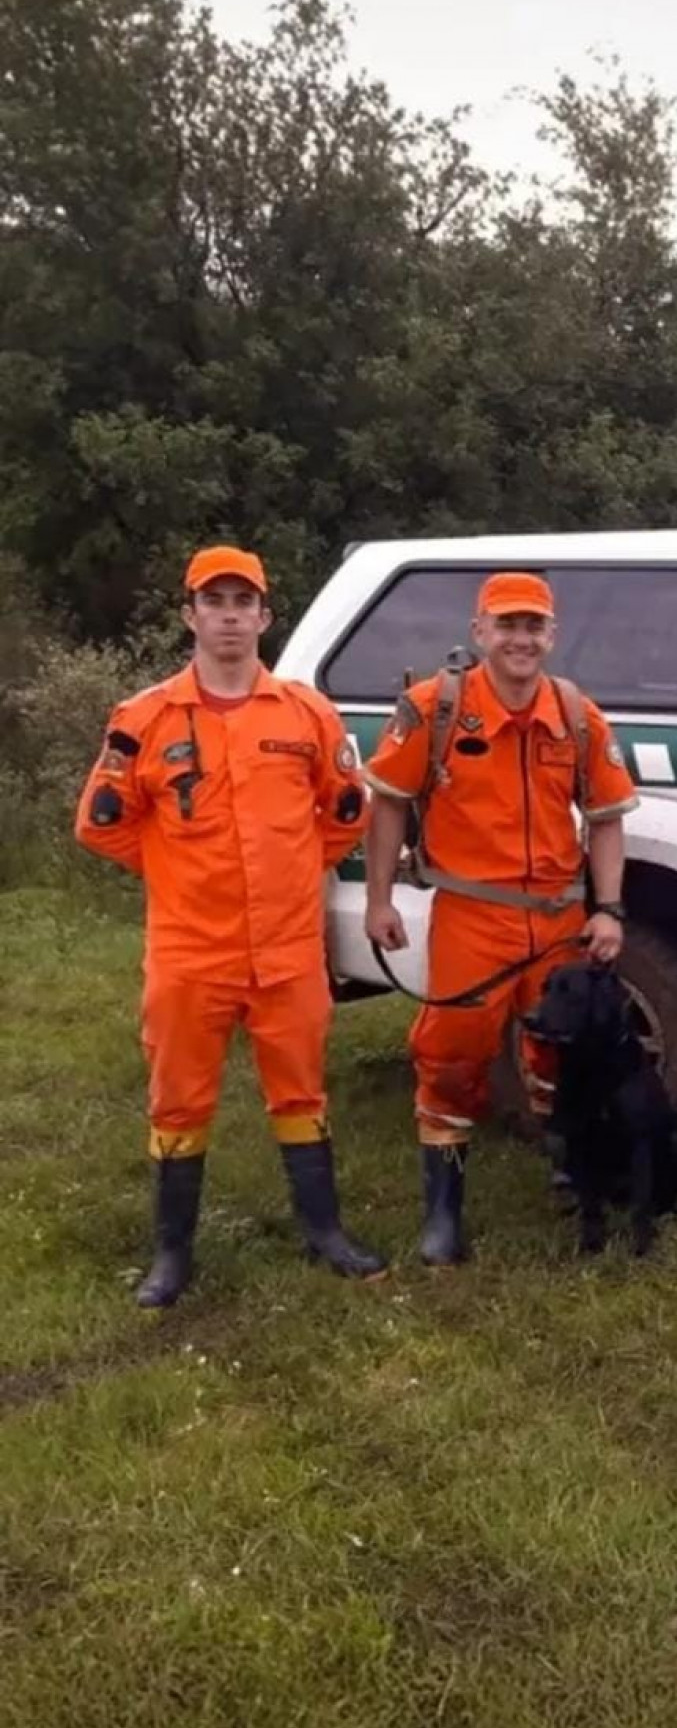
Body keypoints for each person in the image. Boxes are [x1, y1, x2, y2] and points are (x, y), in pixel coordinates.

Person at [75, 545, 387, 1307]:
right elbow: (101, 824)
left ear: (264, 617)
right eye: (213, 601)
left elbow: (346, 811)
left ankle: (325, 1232)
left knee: (302, 1092)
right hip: (190, 950)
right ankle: (172, 1255)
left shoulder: (306, 714)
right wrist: (179, 872)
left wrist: (294, 866)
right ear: (190, 615)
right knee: (179, 1097)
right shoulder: (143, 719)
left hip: (286, 948)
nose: (229, 616)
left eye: (243, 602)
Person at [360, 571, 639, 1264]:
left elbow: (605, 819)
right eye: (506, 624)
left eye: (533, 626)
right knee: (451, 1055)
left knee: (562, 1052)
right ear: (478, 631)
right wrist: (377, 900)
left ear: (552, 634)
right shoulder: (435, 708)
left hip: (556, 919)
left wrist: (607, 910)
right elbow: (389, 802)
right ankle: (443, 1214)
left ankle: (570, 1171)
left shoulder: (577, 715)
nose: (521, 638)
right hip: (473, 915)